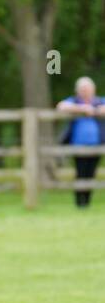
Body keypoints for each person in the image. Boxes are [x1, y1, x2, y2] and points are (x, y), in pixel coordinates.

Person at [56, 76, 104, 208]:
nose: (85, 91)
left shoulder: (99, 102)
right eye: (83, 89)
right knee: (80, 173)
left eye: (88, 89)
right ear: (77, 91)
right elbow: (61, 106)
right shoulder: (74, 101)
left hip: (97, 145)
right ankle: (79, 203)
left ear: (93, 90)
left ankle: (87, 202)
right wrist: (83, 109)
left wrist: (97, 110)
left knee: (91, 173)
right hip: (78, 145)